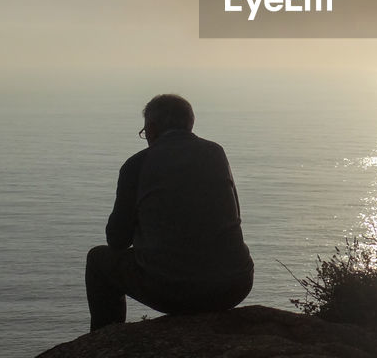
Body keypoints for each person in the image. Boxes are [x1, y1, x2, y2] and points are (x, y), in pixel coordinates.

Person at [85, 94, 254, 331]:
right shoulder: (215, 153)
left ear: (152, 128)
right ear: (189, 123)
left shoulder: (137, 165)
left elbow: (117, 240)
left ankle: (103, 340)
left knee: (97, 261)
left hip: (173, 291)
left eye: (144, 131)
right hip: (234, 284)